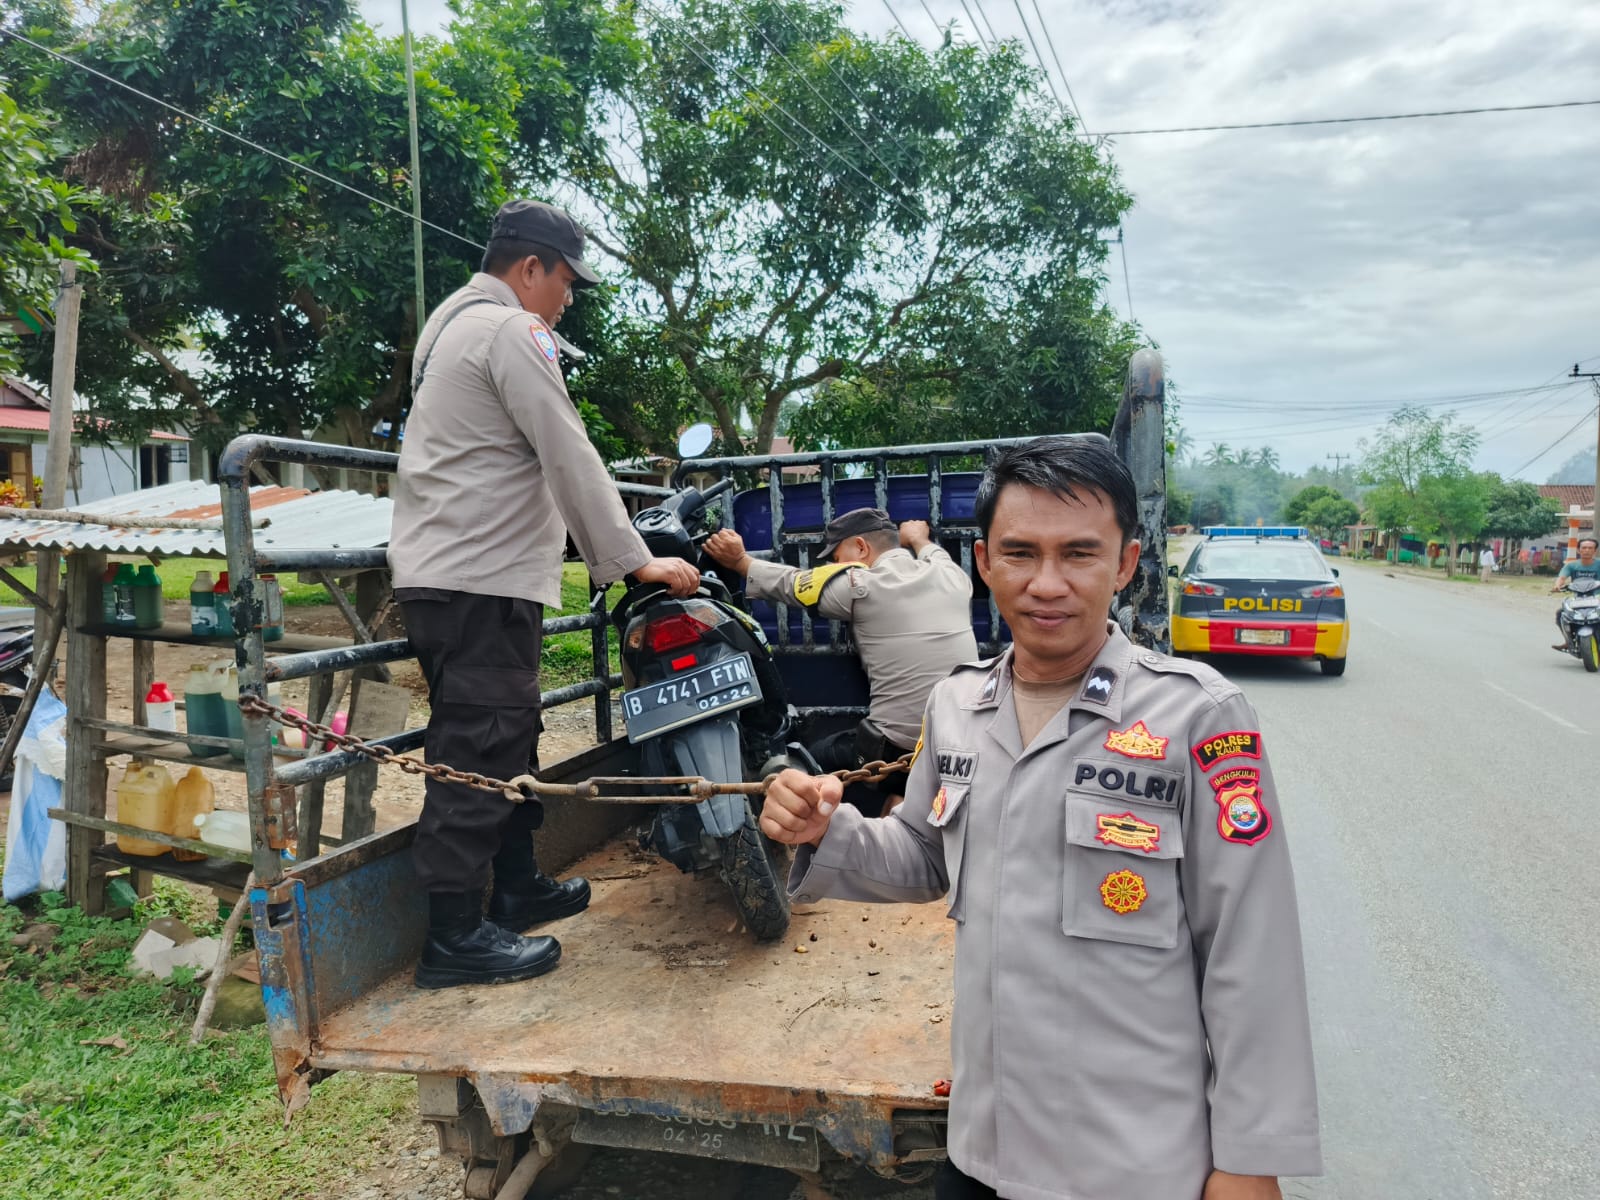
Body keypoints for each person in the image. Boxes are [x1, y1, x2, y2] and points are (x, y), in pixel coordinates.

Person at [760, 436, 1321, 1200]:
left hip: (1136, 1166)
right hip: (983, 1150)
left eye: (1079, 554)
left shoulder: (1200, 716)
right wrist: (828, 830)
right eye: (1020, 553)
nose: (1046, 583)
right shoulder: (955, 705)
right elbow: (926, 856)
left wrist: (1251, 1160)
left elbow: (1251, 952)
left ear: (1124, 565)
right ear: (984, 564)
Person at [390, 199, 700, 990]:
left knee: (506, 737)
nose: (568, 300)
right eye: (566, 281)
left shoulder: (448, 328)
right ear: (531, 268)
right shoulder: (511, 331)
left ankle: (519, 885)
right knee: (477, 746)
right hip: (477, 582)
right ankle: (454, 937)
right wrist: (633, 563)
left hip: (462, 575)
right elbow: (569, 450)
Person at [704, 509, 978, 809]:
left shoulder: (862, 585)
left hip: (898, 751)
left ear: (861, 548)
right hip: (965, 743)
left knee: (813, 759)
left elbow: (792, 583)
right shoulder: (952, 575)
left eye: (836, 557)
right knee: (897, 779)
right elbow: (934, 555)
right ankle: (899, 809)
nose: (835, 565)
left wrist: (740, 561)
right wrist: (919, 539)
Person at [1550, 536, 1600, 649]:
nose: (1587, 550)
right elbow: (1562, 578)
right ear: (1579, 550)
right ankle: (1568, 641)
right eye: (1584, 548)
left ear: (1595, 550)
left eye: (1590, 548)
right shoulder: (1571, 565)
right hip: (1579, 599)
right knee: (1561, 614)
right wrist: (1557, 586)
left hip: (1597, 598)